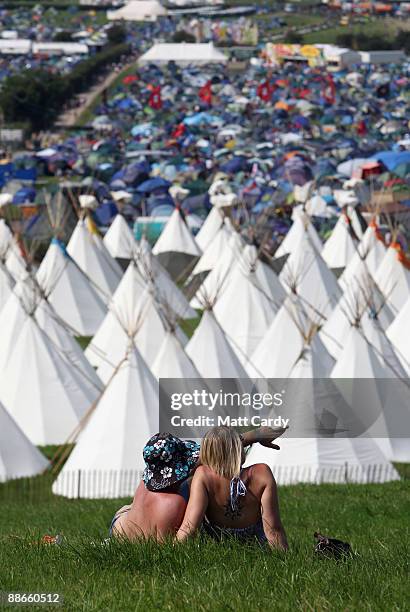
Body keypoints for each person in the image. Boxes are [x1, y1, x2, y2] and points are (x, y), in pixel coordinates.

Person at [109, 426, 286, 542]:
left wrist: (254, 436)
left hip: (120, 527)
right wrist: (254, 436)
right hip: (144, 531)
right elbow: (273, 527)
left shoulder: (145, 485)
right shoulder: (175, 502)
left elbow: (217, 450)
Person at [176, 427, 288, 551]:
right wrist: (284, 558)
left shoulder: (203, 475)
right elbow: (273, 528)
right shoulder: (261, 473)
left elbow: (189, 526)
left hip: (217, 541)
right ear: (238, 448)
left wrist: (171, 553)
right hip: (255, 541)